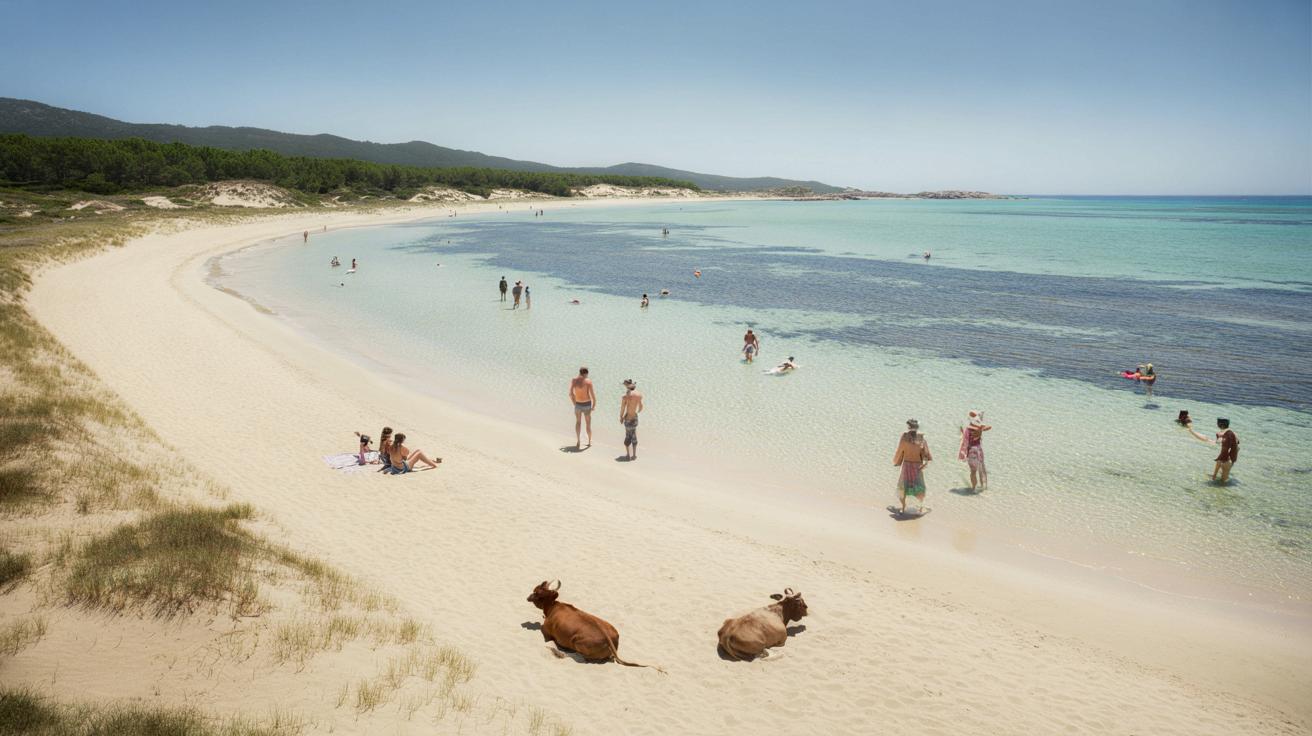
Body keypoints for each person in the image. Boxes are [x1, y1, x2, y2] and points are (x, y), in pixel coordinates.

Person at [893, 419, 932, 514]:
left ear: (908, 427)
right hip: (917, 465)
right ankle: (920, 508)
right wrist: (925, 463)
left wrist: (897, 461)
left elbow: (900, 449)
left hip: (906, 465)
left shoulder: (904, 436)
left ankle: (903, 507)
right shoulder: (921, 437)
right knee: (919, 486)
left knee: (903, 486)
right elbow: (926, 453)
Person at [957, 410, 992, 491]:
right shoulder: (979, 429)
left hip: (971, 451)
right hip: (979, 450)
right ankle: (983, 487)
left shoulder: (968, 429)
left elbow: (965, 442)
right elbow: (989, 427)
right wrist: (981, 428)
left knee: (973, 471)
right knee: (981, 469)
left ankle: (973, 488)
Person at [569, 367, 597, 449]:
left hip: (578, 404)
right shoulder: (588, 381)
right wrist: (593, 406)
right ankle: (589, 441)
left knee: (578, 422)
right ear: (585, 373)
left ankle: (578, 441)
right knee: (588, 424)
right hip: (587, 404)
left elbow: (570, 394)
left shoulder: (574, 380)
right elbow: (593, 396)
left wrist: (575, 404)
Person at [619, 379, 644, 460]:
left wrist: (621, 417)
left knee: (628, 436)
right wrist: (635, 411)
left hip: (628, 418)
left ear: (627, 386)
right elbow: (641, 407)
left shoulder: (625, 396)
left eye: (625, 385)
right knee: (634, 435)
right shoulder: (639, 395)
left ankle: (628, 455)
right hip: (635, 418)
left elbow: (623, 408)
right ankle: (634, 455)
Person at [1212, 418, 1239, 483]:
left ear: (1219, 424)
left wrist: (1214, 474)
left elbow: (1223, 449)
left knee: (1222, 483)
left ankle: (1215, 475)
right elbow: (1237, 447)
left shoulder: (1220, 434)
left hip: (1225, 459)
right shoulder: (1234, 433)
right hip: (1230, 459)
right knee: (1223, 481)